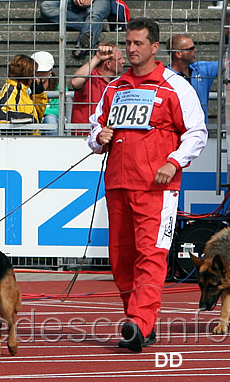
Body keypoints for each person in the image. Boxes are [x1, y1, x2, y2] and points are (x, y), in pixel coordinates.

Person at [88, 17, 207, 352]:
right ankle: (139, 322)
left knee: (151, 255)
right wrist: (100, 136)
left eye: (138, 43)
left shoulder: (174, 86)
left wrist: (174, 162)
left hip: (156, 188)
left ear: (155, 47)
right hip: (118, 184)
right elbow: (94, 131)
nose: (131, 49)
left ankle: (139, 321)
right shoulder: (115, 87)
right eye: (128, 43)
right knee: (121, 258)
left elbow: (197, 133)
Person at [166, 34, 218, 123]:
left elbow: (226, 64)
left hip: (200, 132)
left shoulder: (201, 69)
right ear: (179, 54)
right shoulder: (165, 77)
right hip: (177, 132)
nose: (195, 50)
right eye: (191, 49)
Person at [70, 42, 125, 125]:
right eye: (120, 59)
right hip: (85, 134)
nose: (124, 61)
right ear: (108, 64)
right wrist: (97, 58)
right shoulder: (90, 77)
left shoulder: (117, 82)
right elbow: (75, 82)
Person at [0, 53, 50, 124]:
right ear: (27, 74)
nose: (35, 78)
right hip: (18, 135)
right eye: (33, 74)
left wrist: (38, 93)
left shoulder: (24, 91)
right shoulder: (11, 89)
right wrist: (26, 120)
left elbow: (37, 117)